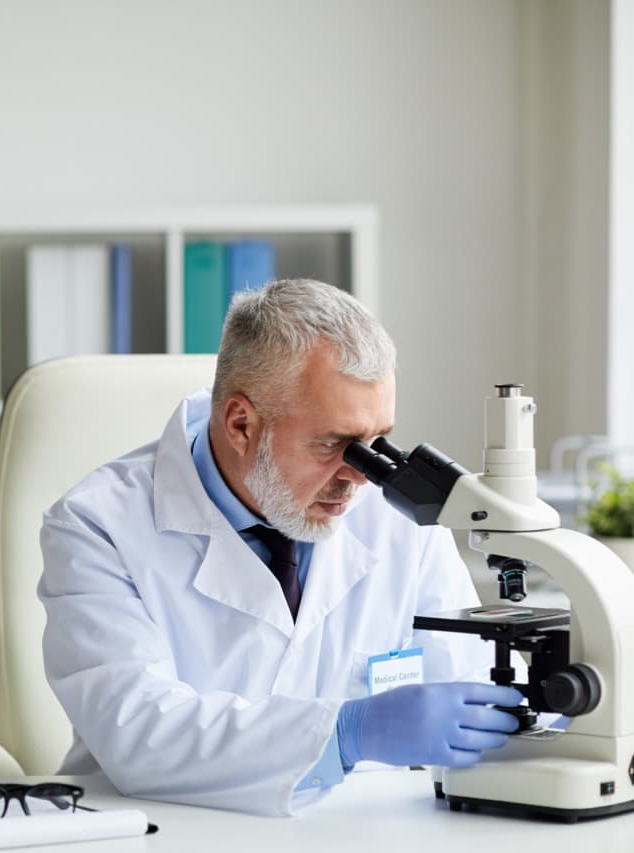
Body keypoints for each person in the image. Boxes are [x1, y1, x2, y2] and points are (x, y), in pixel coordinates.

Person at [38, 278, 522, 816]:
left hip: (362, 829)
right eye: (332, 445)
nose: (359, 477)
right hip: (165, 829)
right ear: (241, 424)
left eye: (377, 443)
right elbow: (138, 733)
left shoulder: (398, 517)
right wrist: (346, 733)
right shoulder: (97, 524)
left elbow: (474, 680)